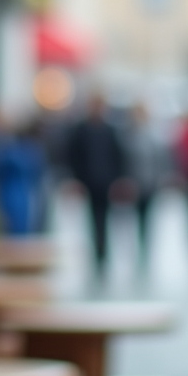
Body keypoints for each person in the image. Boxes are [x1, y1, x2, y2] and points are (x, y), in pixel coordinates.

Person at [67, 93, 125, 274]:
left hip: (106, 182)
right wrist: (77, 179)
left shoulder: (110, 130)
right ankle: (96, 253)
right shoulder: (81, 130)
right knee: (92, 219)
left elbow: (118, 157)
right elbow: (74, 156)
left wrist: (117, 180)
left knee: (104, 219)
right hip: (89, 182)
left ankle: (103, 254)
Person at [121, 102, 166, 263]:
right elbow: (124, 162)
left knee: (148, 219)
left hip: (150, 184)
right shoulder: (128, 136)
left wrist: (159, 180)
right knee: (132, 219)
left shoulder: (153, 136)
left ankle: (145, 249)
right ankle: (135, 249)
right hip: (134, 185)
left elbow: (160, 161)